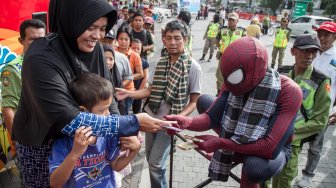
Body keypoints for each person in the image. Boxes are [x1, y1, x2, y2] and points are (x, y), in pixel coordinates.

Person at [12, 0, 171, 186]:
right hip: (43, 146)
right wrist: (131, 123)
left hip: (86, 144)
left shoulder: (94, 49)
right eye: (90, 27)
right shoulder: (40, 57)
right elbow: (69, 120)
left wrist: (120, 131)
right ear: (71, 21)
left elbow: (107, 92)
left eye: (103, 28)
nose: (97, 36)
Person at [165, 37, 303, 188]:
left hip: (274, 148)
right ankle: (236, 149)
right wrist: (186, 122)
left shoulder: (290, 91)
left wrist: (221, 143)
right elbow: (211, 117)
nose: (229, 88)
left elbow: (269, 147)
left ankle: (238, 152)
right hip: (240, 132)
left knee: (253, 168)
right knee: (204, 101)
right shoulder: (233, 80)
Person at [116, 20, 202, 188]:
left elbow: (194, 102)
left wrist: (177, 118)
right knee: (150, 158)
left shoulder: (194, 67)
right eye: (168, 38)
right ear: (163, 39)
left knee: (156, 164)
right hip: (152, 117)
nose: (172, 42)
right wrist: (129, 94)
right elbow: (150, 90)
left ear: (186, 39)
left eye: (177, 38)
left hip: (169, 123)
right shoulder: (162, 62)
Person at [49, 73, 141, 187]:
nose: (108, 114)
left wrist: (135, 149)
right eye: (103, 110)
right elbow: (55, 183)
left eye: (109, 108)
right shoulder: (63, 141)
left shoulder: (108, 133)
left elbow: (116, 165)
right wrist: (75, 153)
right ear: (84, 112)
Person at [272, 34, 331, 188]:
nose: (309, 56)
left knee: (284, 180)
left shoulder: (321, 81)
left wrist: (289, 131)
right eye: (305, 51)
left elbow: (321, 120)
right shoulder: (281, 72)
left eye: (313, 51)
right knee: (261, 176)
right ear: (293, 51)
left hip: (292, 142)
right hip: (269, 137)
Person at [296, 22, 336, 188]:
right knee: (296, 141)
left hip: (322, 111)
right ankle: (289, 167)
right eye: (320, 34)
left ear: (334, 37)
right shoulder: (312, 51)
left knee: (315, 146)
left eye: (326, 35)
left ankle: (308, 175)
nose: (321, 38)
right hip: (301, 107)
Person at [1, 19, 46, 137]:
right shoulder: (13, 69)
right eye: (32, 40)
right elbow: (9, 108)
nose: (38, 44)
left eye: (41, 39)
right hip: (31, 136)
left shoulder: (50, 63)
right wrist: (17, 141)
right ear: (21, 41)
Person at [116, 25, 143, 115]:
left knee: (124, 113)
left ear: (130, 40)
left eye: (126, 39)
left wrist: (127, 78)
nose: (123, 42)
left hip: (127, 90)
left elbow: (140, 74)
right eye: (121, 39)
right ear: (117, 39)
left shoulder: (135, 55)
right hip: (114, 89)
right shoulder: (112, 52)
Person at [216, 12, 245, 94]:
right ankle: (219, 92)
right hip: (224, 56)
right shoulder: (222, 29)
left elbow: (245, 43)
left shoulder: (242, 31)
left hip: (235, 58)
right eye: (229, 20)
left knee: (233, 75)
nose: (230, 22)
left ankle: (231, 92)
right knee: (220, 74)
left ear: (237, 21)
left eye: (233, 20)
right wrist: (221, 48)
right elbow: (217, 40)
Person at [131, 39, 149, 114]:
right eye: (133, 48)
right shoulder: (127, 60)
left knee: (137, 111)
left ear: (141, 49)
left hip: (139, 89)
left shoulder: (144, 62)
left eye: (138, 48)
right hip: (128, 88)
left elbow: (145, 78)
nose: (136, 50)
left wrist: (139, 91)